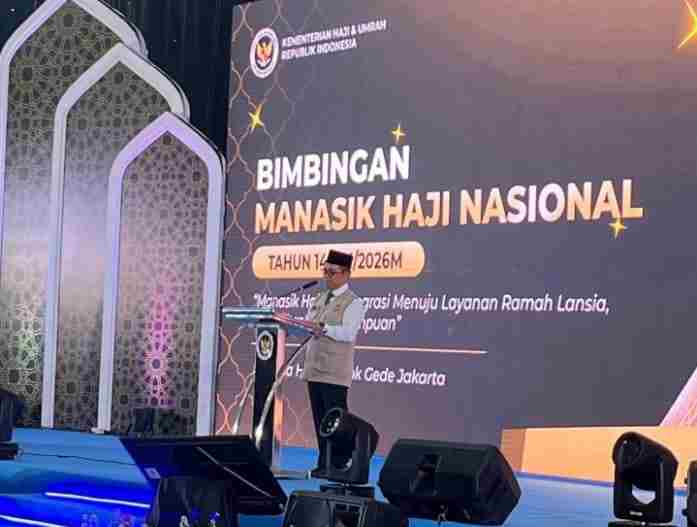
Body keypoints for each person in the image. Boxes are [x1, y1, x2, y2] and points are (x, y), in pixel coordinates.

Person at [303, 249, 367, 476]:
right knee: (320, 420)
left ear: (346, 274)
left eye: (332, 272)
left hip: (335, 371)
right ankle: (324, 463)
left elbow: (348, 333)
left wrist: (324, 328)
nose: (327, 276)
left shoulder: (354, 302)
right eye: (325, 271)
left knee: (336, 421)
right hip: (314, 368)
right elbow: (308, 324)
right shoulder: (319, 298)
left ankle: (340, 464)